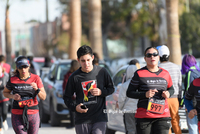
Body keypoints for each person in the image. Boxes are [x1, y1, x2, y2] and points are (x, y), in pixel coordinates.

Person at [63, 45, 114, 134]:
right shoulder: (74, 77)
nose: (86, 64)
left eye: (88, 60)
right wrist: (75, 108)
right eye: (83, 61)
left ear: (92, 58)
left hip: (99, 118)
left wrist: (101, 92)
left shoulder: (102, 72)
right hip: (82, 119)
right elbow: (67, 97)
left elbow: (111, 89)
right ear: (78, 60)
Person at [126, 46, 174, 134]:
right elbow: (129, 93)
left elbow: (171, 89)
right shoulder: (139, 73)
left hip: (163, 115)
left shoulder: (165, 73)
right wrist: (145, 94)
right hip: (144, 117)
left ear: (158, 57)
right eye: (149, 55)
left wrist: (168, 93)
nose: (152, 57)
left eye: (155, 55)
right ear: (145, 58)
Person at [3, 56, 46, 134]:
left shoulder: (36, 78)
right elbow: (5, 92)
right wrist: (13, 96)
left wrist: (37, 89)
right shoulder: (12, 79)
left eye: (25, 67)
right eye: (20, 67)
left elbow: (43, 97)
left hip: (33, 113)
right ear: (17, 67)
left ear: (29, 66)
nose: (23, 69)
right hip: (17, 113)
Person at [157, 45, 182, 134]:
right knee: (175, 121)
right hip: (174, 99)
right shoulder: (176, 67)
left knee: (165, 123)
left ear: (158, 56)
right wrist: (180, 99)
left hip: (162, 99)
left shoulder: (157, 68)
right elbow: (180, 85)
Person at [181, 54, 200, 134]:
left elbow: (188, 89)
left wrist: (184, 104)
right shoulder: (197, 71)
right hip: (196, 104)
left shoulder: (189, 73)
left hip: (193, 103)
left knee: (192, 127)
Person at [118, 65, 139, 134]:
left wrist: (121, 108)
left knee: (130, 130)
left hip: (128, 111)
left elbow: (121, 100)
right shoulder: (140, 83)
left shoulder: (124, 85)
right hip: (139, 110)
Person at [62, 60, 80, 127]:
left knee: (72, 110)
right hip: (79, 95)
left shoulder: (68, 74)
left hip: (71, 96)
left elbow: (65, 85)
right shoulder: (80, 74)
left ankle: (73, 124)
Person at [0, 66, 9, 134]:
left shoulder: (6, 76)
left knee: (4, 112)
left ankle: (4, 120)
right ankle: (0, 129)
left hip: (4, 97)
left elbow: (9, 85)